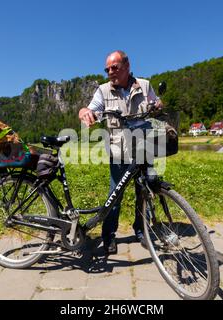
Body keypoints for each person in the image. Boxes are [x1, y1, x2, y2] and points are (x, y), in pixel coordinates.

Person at [78, 50, 163, 255]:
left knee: (145, 194)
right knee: (114, 197)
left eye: (114, 67)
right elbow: (91, 109)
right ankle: (108, 236)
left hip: (144, 149)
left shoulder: (144, 85)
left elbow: (157, 103)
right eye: (107, 69)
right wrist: (85, 112)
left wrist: (158, 105)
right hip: (119, 152)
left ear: (126, 66)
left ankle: (142, 231)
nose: (110, 72)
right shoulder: (103, 90)